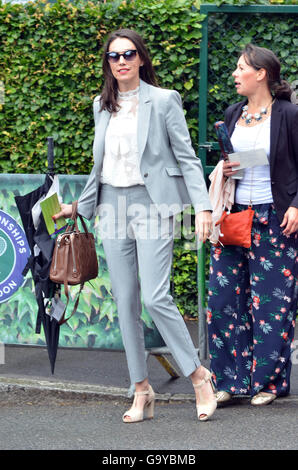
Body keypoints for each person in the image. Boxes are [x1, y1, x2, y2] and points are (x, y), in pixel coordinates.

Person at [53, 29, 217, 422]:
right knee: (125, 300)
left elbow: (187, 157)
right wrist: (79, 207)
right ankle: (141, 389)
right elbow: (100, 167)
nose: (121, 61)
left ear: (141, 58)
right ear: (107, 64)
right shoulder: (101, 105)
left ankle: (198, 375)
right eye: (114, 56)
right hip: (111, 206)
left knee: (155, 297)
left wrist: (204, 208)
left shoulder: (163, 101)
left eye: (128, 54)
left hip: (152, 204)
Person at [207, 44, 298, 406]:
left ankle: (269, 383)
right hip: (234, 216)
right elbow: (241, 163)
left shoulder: (289, 114)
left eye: (240, 67)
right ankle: (229, 379)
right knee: (224, 298)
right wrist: (227, 167)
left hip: (275, 218)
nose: (234, 74)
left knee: (272, 304)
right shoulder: (232, 113)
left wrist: (296, 204)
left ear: (261, 73)